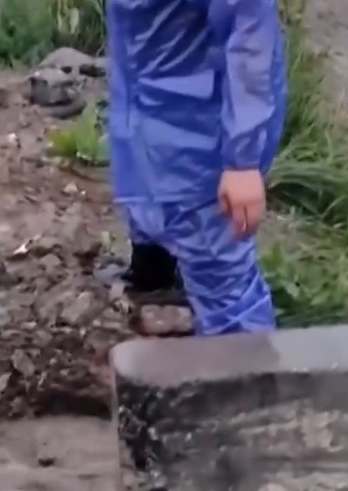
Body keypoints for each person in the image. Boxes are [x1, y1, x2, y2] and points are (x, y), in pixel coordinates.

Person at [107, 0, 288, 335]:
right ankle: (154, 280)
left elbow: (248, 31)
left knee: (221, 273)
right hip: (146, 100)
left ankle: (243, 359)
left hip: (202, 133)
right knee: (148, 204)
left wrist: (242, 161)